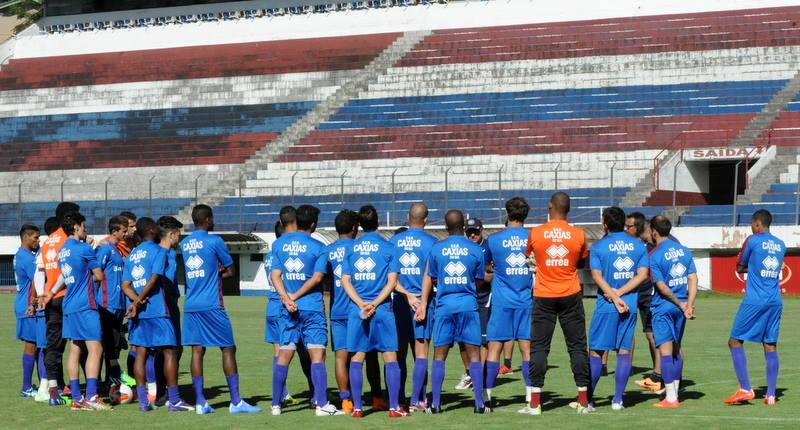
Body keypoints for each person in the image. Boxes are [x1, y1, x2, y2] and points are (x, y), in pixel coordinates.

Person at [180, 204, 261, 414]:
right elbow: (231, 270)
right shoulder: (215, 240)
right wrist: (217, 273)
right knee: (228, 348)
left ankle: (200, 402)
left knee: (197, 350)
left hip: (190, 304)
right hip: (212, 304)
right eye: (212, 218)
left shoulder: (185, 243)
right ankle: (235, 402)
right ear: (207, 219)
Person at [523, 192, 591, 415]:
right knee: (577, 347)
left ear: (550, 206)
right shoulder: (579, 234)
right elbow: (581, 260)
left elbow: (529, 257)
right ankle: (583, 401)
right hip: (571, 293)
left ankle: (535, 404)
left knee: (540, 347)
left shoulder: (536, 233)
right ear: (568, 209)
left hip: (543, 295)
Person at [269, 205, 341, 417]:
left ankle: (275, 405)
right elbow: (318, 278)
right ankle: (321, 404)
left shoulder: (279, 243)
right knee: (317, 355)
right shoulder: (319, 247)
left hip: (287, 309)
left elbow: (275, 276)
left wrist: (286, 298)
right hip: (311, 307)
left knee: (284, 355)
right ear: (313, 224)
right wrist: (296, 296)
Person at [416, 209, 488, 414]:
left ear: (446, 227)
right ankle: (479, 404)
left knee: (440, 354)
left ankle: (436, 403)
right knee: (474, 353)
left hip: (445, 306)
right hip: (468, 305)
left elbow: (433, 277)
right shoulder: (475, 249)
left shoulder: (436, 249)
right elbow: (480, 280)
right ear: (464, 227)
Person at [341, 205, 407, 418]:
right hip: (383, 310)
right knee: (390, 357)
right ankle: (394, 407)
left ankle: (358, 408)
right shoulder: (389, 247)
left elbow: (345, 281)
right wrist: (376, 303)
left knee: (357, 358)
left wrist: (362, 303)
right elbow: (392, 281)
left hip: (357, 310)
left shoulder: (350, 248)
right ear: (377, 222)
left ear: (359, 224)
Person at [122, 217, 193, 413]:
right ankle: (174, 399)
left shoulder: (132, 254)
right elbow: (155, 279)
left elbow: (125, 285)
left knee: (141, 353)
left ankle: (144, 401)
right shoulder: (159, 252)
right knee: (171, 351)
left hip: (138, 313)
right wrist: (140, 300)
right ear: (152, 230)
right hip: (158, 309)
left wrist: (135, 301)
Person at [587, 207, 648, 410]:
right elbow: (642, 275)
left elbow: (596, 276)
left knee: (596, 352)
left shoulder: (598, 247)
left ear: (605, 224)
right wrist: (621, 294)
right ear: (623, 223)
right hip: (629, 305)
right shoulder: (638, 246)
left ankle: (588, 399)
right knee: (624, 351)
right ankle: (618, 400)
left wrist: (613, 295)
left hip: (606, 306)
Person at [725, 209, 786, 406]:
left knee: (734, 341)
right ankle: (770, 395)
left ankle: (745, 388)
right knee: (770, 344)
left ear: (757, 223)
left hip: (755, 300)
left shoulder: (752, 240)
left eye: (753, 224)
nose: (752, 227)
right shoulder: (780, 244)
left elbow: (739, 266)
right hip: (775, 300)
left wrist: (750, 266)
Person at [305, 210, 359, 413]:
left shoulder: (327, 251)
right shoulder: (359, 248)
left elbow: (321, 278)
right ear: (354, 228)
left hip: (337, 311)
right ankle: (363, 398)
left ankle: (345, 400)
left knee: (340, 357)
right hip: (358, 309)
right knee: (361, 355)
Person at [57, 211, 111, 411]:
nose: (86, 229)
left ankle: (77, 398)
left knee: (75, 349)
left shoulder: (63, 250)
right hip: (85, 305)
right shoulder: (83, 249)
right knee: (96, 349)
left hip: (69, 305)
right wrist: (92, 251)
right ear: (77, 227)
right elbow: (98, 276)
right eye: (84, 225)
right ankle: (91, 396)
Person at [483, 198, 533, 409]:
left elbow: (485, 268)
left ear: (507, 213)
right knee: (527, 349)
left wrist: (496, 269)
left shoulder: (494, 240)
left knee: (494, 346)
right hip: (527, 300)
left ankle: (486, 396)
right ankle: (532, 396)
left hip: (502, 301)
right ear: (526, 215)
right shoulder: (533, 237)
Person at [390, 203, 438, 411]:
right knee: (421, 352)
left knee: (398, 353)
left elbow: (389, 278)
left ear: (408, 217)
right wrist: (421, 300)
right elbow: (432, 276)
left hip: (400, 302)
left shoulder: (393, 242)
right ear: (425, 220)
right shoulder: (433, 243)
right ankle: (418, 399)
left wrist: (406, 294)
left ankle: (399, 397)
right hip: (423, 303)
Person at [648, 215, 697, 408]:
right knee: (676, 349)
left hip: (664, 307)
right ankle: (674, 393)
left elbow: (661, 287)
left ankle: (670, 398)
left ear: (653, 231)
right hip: (682, 307)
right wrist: (688, 304)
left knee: (666, 352)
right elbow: (693, 278)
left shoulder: (654, 255)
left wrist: (679, 302)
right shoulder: (684, 250)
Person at [39, 202, 80, 406]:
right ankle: (83, 388)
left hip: (50, 298)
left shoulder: (47, 242)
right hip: (67, 295)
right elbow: (67, 271)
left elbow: (40, 270)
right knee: (81, 342)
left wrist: (43, 293)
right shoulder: (67, 239)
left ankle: (54, 390)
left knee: (53, 344)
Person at [454, 218, 493, 390]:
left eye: (475, 231)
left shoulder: (487, 247)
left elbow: (490, 274)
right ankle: (469, 372)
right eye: (469, 231)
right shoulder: (462, 247)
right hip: (464, 298)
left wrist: (475, 277)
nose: (472, 235)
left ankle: (481, 375)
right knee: (462, 339)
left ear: (482, 230)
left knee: (483, 339)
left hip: (484, 297)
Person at [625, 212, 662, 392]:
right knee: (651, 336)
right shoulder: (645, 245)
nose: (626, 230)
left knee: (660, 337)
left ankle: (663, 376)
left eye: (629, 226)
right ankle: (657, 374)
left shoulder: (659, 246)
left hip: (653, 296)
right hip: (643, 295)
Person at [95, 216, 127, 400]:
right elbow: (95, 275)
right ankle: (102, 382)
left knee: (114, 346)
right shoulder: (105, 249)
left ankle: (111, 380)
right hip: (106, 305)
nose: (125, 233)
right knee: (104, 345)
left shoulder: (117, 250)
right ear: (114, 231)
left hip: (118, 305)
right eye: (123, 230)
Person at [14, 224, 41, 398]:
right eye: (35, 237)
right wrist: (33, 302)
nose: (38, 241)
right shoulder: (27, 258)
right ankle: (26, 387)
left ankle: (37, 385)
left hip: (24, 303)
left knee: (37, 346)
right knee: (32, 346)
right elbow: (36, 281)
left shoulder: (21, 255)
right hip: (27, 305)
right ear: (26, 237)